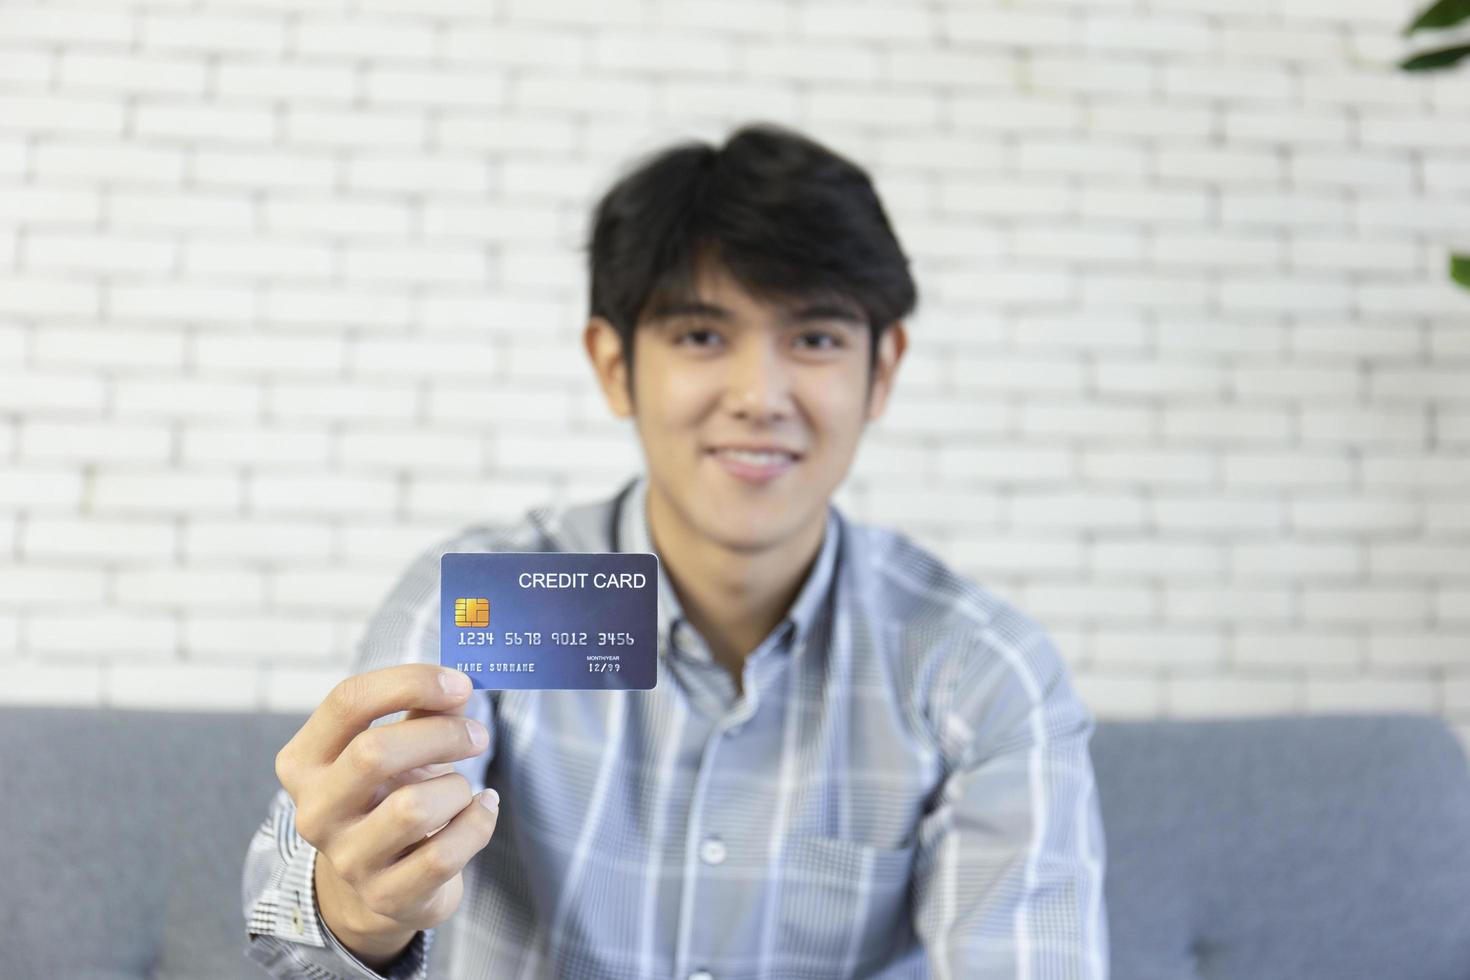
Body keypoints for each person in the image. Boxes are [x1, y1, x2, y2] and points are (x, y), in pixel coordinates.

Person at [242, 121, 1109, 979]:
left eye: (814, 339)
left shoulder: (973, 671)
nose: (759, 396)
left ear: (882, 372)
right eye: (701, 335)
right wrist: (359, 908)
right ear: (615, 364)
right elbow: (289, 950)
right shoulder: (502, 600)